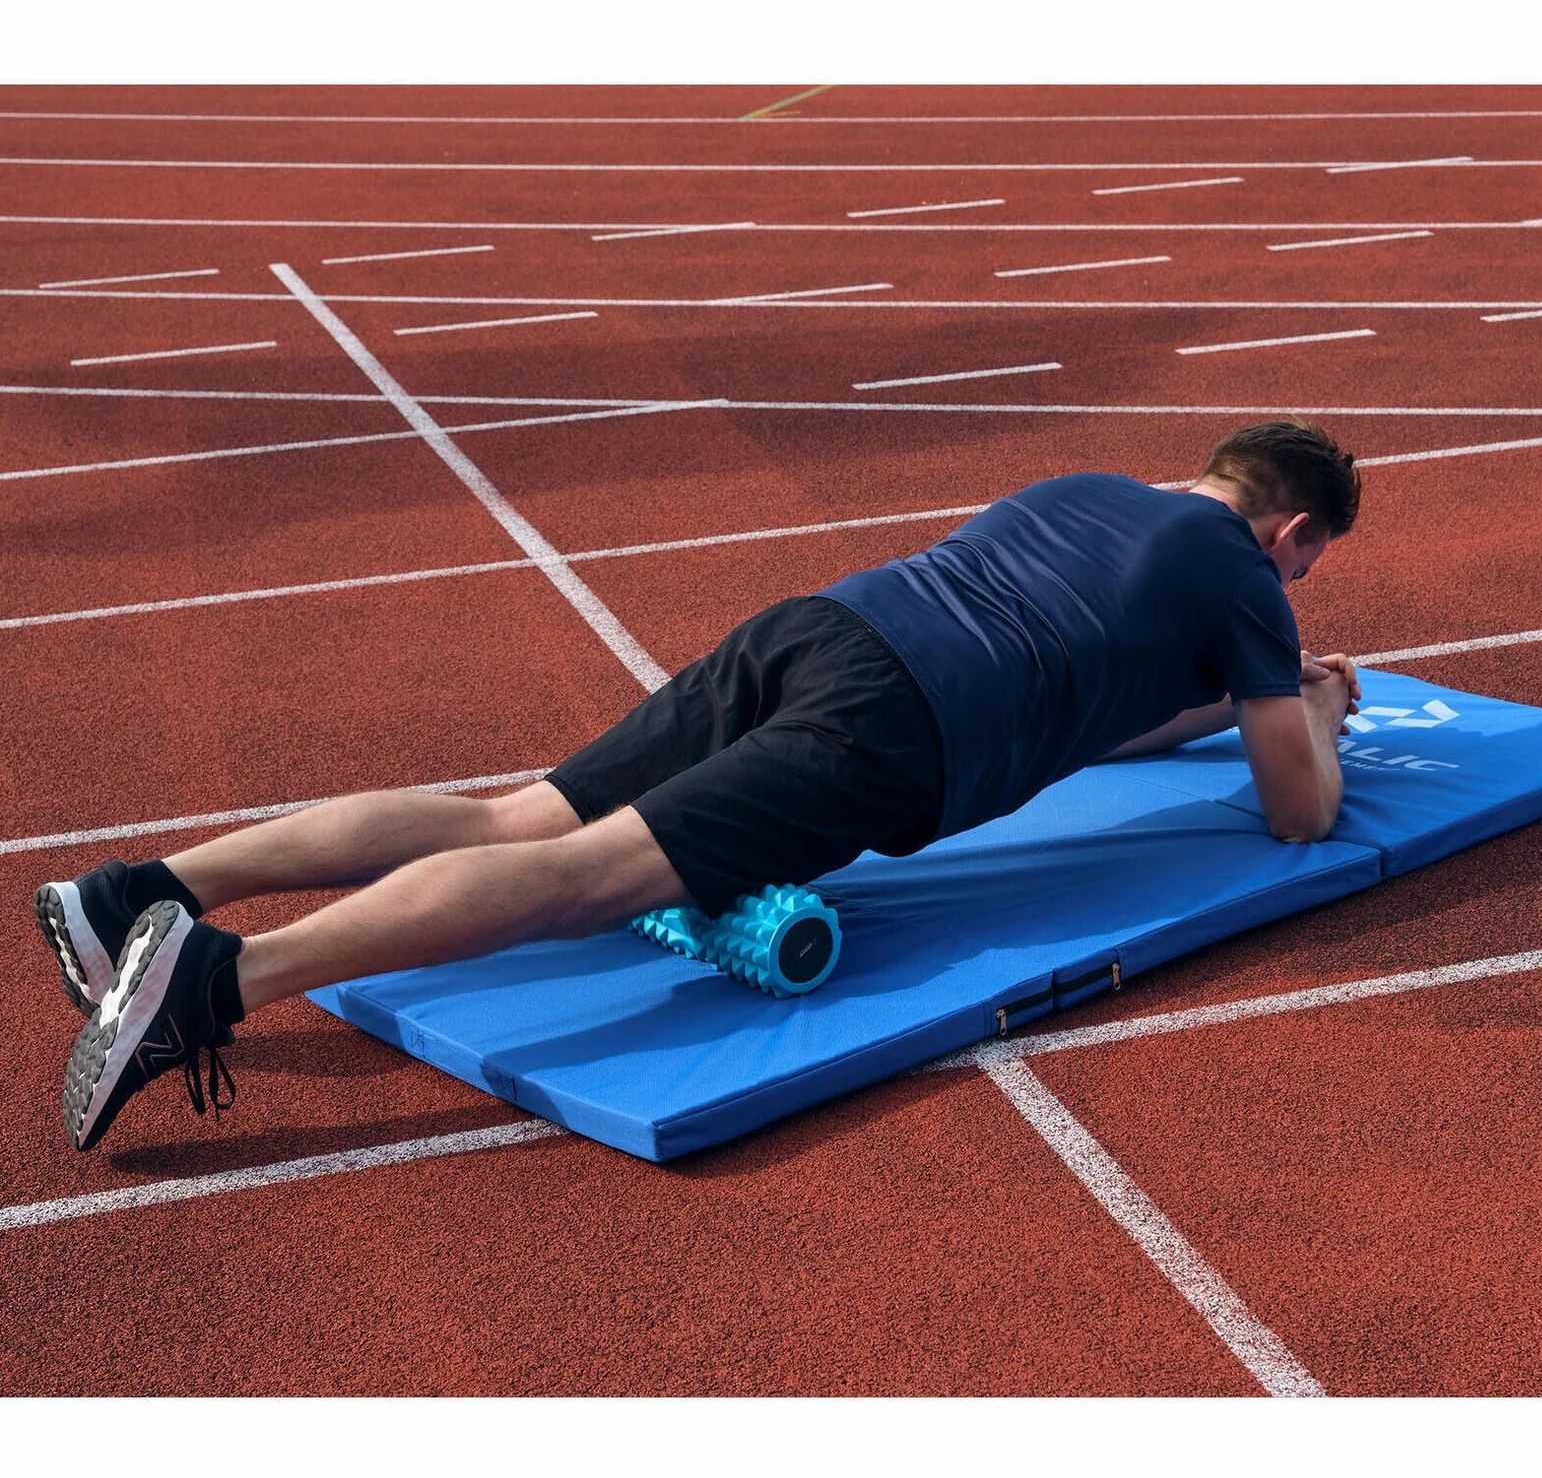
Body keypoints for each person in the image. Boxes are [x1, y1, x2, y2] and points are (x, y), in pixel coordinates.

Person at [46, 419, 1363, 1152]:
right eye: (1302, 574)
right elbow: (1296, 812)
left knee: (516, 816)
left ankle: (139, 890)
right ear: (1290, 535)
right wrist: (1310, 708)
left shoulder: (1088, 489)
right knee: (587, 880)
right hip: (893, 728)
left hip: (825, 630)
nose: (1289, 593)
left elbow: (1082, 713)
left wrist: (1207, 709)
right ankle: (220, 983)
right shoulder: (1244, 582)